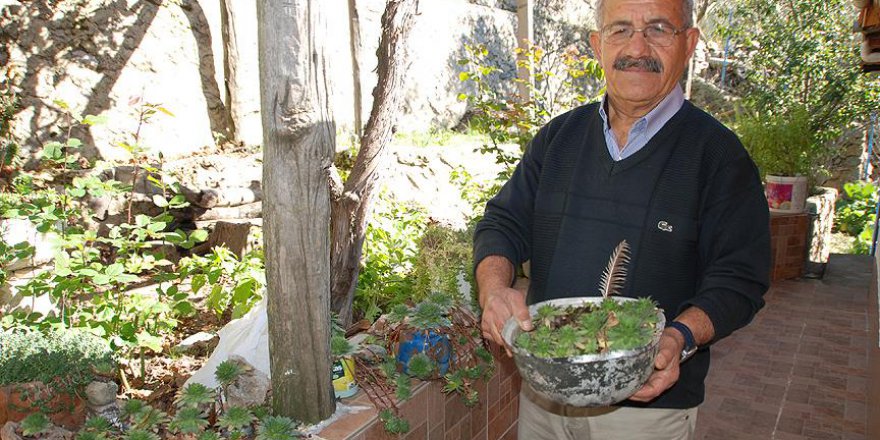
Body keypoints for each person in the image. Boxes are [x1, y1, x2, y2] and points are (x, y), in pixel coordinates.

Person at [472, 0, 771, 438]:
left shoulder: (720, 158)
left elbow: (740, 279)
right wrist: (495, 289)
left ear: (688, 43)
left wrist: (679, 337)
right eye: (620, 30)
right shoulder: (558, 139)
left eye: (658, 29)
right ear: (598, 45)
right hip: (544, 399)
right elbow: (503, 223)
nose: (637, 48)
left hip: (645, 410)